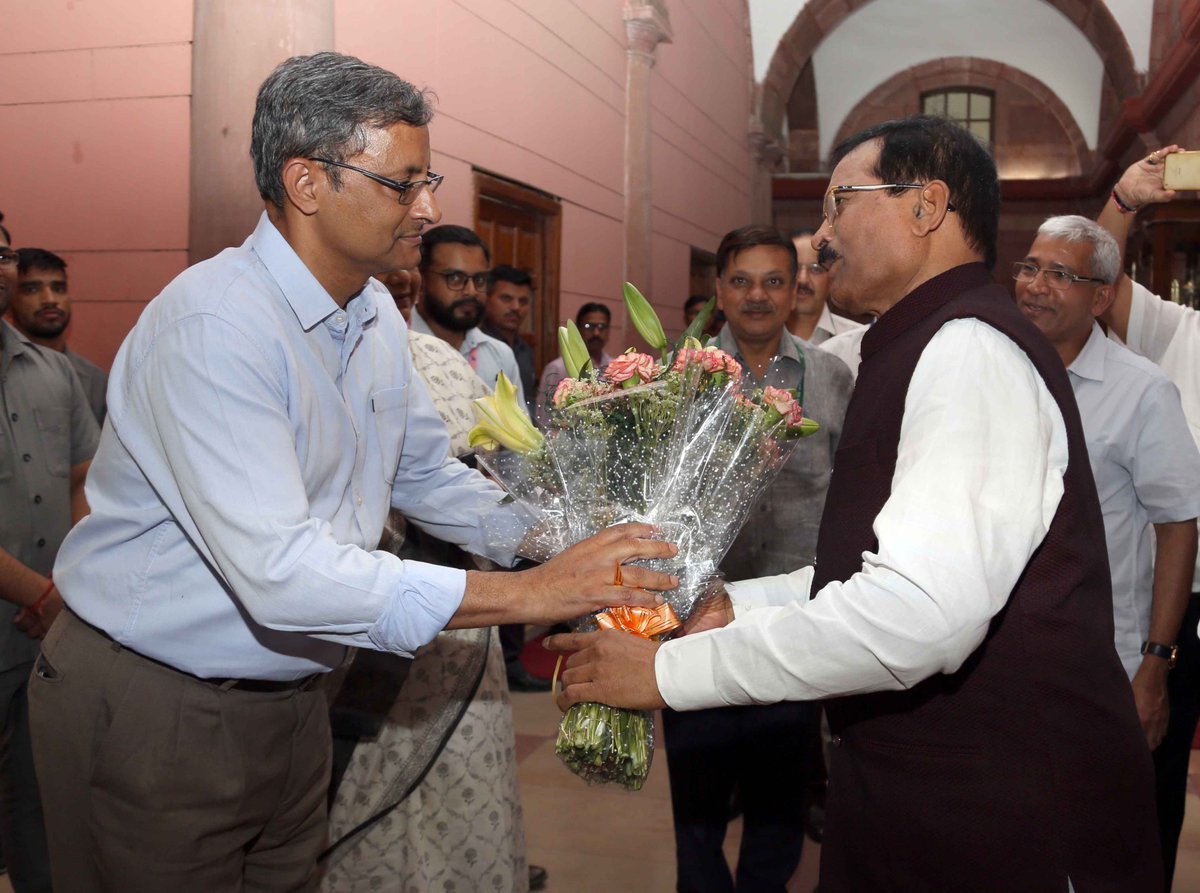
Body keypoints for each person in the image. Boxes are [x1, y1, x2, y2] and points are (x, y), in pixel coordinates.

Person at [26, 52, 675, 893]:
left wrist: (562, 536)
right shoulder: (216, 326)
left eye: (427, 181)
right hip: (161, 702)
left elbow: (423, 474)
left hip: (295, 697)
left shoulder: (369, 311)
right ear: (307, 182)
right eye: (403, 184)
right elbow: (283, 574)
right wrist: (534, 592)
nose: (428, 209)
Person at [549, 114, 1162, 892]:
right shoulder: (927, 340)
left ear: (925, 206)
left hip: (1007, 809)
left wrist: (670, 670)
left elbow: (916, 615)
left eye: (841, 202)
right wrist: (735, 605)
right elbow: (880, 568)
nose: (822, 236)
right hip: (934, 791)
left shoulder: (969, 351)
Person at [323, 270, 540, 893]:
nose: (401, 277)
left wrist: (550, 538)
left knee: (463, 796)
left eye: (410, 262)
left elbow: (460, 479)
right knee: (361, 804)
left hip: (464, 623)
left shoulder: (439, 360)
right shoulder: (309, 351)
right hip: (356, 625)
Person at [663, 224, 851, 892]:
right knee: (697, 802)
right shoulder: (680, 377)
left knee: (779, 802)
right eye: (741, 281)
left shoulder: (831, 376)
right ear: (718, 290)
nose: (758, 296)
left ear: (796, 289)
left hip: (790, 624)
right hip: (697, 617)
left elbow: (852, 490)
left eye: (774, 281)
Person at [1015, 213, 1200, 745]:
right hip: (1001, 653)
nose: (1035, 286)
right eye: (1029, 268)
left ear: (1101, 298)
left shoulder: (1142, 391)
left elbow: (1177, 527)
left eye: (1059, 275)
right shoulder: (996, 369)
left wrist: (1156, 664)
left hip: (1102, 658)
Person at [1096, 146, 1200, 890]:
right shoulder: (1179, 332)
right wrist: (1125, 202)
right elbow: (1096, 279)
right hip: (1181, 602)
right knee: (1151, 782)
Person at [0, 223, 101, 892]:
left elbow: (81, 481)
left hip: (47, 633)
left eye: (1, 251)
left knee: (42, 802)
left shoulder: (55, 372)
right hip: (34, 609)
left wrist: (69, 584)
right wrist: (41, 593)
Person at [411, 225, 525, 397]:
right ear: (421, 280)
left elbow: (517, 415)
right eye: (455, 278)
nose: (471, 291)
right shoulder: (396, 345)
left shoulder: (500, 355)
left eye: (479, 279)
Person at [12, 248, 108, 425]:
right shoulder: (6, 373)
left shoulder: (95, 382)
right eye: (31, 289)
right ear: (9, 299)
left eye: (58, 288)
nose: (50, 299)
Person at [535, 302, 613, 427]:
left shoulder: (615, 367)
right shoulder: (557, 368)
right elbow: (543, 417)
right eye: (588, 326)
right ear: (577, 329)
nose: (596, 333)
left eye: (602, 326)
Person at [786, 228, 864, 345]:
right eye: (795, 268)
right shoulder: (762, 335)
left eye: (815, 269)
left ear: (832, 277)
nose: (803, 279)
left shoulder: (858, 341)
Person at [481, 264, 538, 412]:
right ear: (486, 299)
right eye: (506, 299)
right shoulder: (475, 346)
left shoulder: (525, 351)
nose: (516, 307)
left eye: (523, 301)